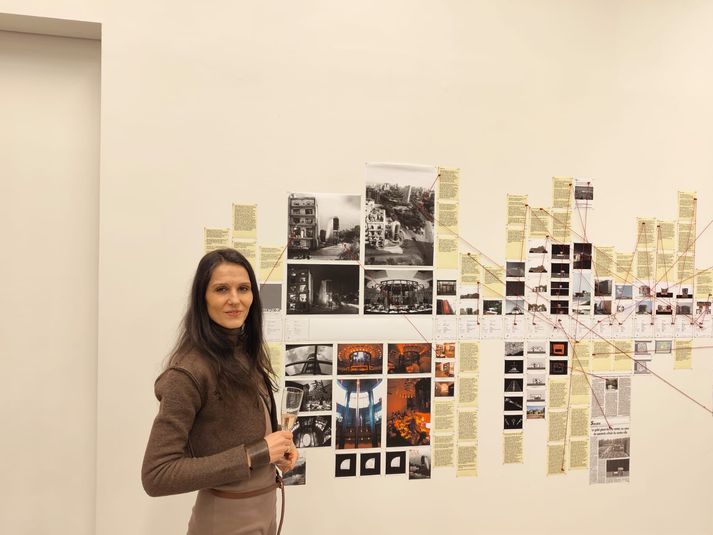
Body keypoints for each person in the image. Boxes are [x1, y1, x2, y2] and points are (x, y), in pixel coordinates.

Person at [142, 248, 298, 535]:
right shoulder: (187, 372)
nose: (235, 299)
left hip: (264, 514)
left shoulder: (244, 353)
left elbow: (234, 429)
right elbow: (157, 475)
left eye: (243, 289)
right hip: (225, 522)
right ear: (202, 298)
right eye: (221, 289)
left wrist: (275, 448)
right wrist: (256, 453)